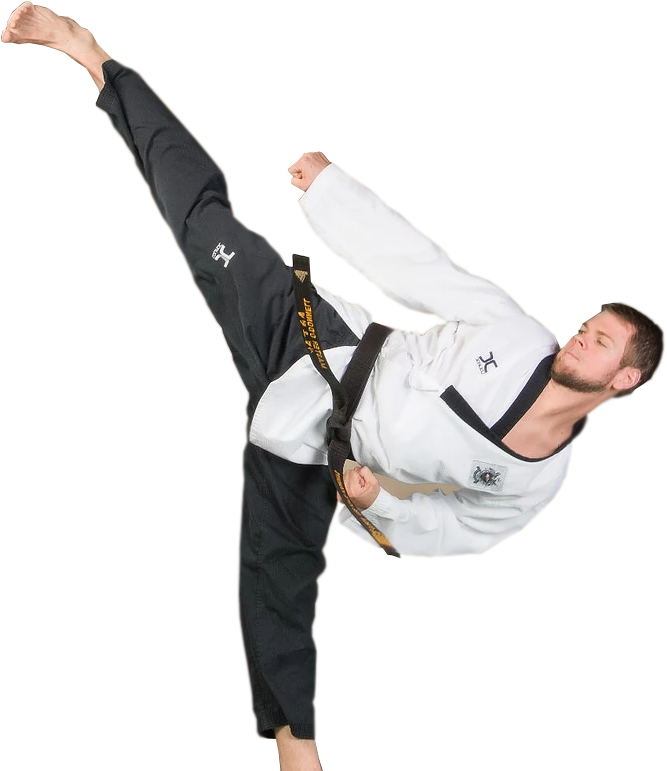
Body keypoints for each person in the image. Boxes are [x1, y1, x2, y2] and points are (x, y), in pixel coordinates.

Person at [4, 4, 663, 769]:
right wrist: (332, 194)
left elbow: (460, 530)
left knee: (273, 584)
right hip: (316, 338)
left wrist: (379, 504)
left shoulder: (538, 479)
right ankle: (93, 58)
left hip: (319, 454)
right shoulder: (518, 335)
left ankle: (299, 758)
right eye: (586, 326)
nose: (578, 337)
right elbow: (425, 269)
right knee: (202, 221)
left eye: (599, 342)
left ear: (623, 380)